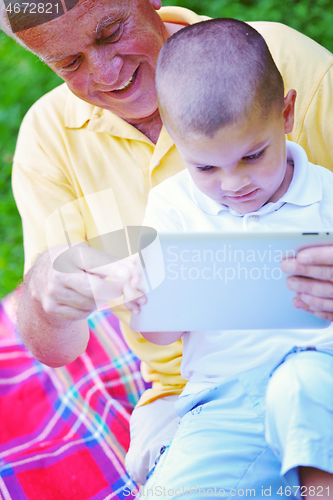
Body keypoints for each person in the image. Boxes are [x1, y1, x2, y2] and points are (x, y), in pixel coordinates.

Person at [0, 0, 333, 485]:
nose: (108, 73)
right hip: (194, 392)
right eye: (70, 63)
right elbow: (57, 348)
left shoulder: (279, 60)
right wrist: (51, 301)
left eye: (111, 32)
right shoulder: (49, 138)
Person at [123, 19, 333, 498]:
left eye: (254, 155)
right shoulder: (172, 208)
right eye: (206, 167)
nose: (235, 182)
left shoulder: (325, 196)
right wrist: (145, 301)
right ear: (179, 147)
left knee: (303, 389)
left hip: (318, 381)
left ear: (285, 115)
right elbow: (159, 331)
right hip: (222, 401)